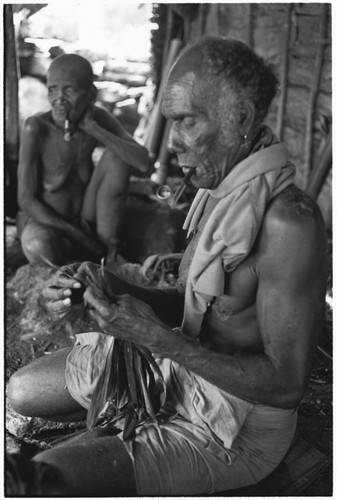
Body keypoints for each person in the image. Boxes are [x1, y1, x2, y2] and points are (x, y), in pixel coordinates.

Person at [7, 36, 327, 496]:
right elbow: (194, 309)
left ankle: (120, 436)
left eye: (186, 121)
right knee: (21, 391)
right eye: (170, 121)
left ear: (238, 118)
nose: (172, 141)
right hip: (175, 368)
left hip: (233, 424)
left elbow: (285, 386)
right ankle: (118, 420)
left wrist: (155, 339)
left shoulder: (289, 224)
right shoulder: (223, 191)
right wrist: (108, 285)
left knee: (38, 482)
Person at [16, 53, 150, 266]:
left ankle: (109, 249)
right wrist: (80, 237)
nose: (59, 99)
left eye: (69, 90)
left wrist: (94, 129)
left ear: (90, 95)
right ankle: (92, 252)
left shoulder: (96, 119)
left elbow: (143, 162)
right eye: (52, 89)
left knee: (118, 156)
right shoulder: (36, 128)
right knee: (37, 246)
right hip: (48, 224)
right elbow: (26, 200)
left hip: (87, 220)